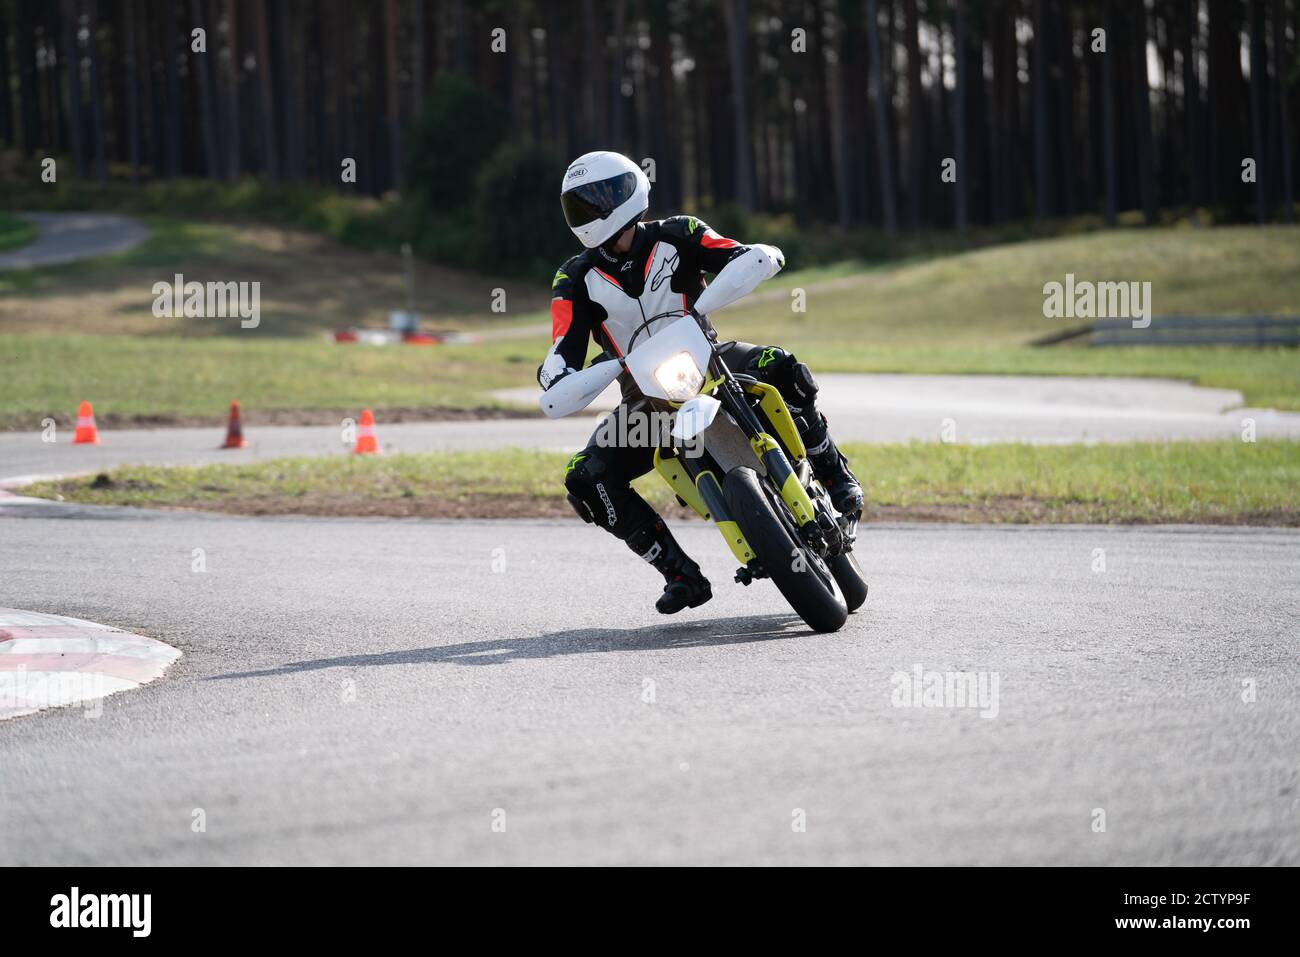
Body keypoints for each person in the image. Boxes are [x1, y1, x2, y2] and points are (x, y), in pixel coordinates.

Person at [539, 150, 862, 615]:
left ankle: (835, 476)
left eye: (599, 199)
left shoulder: (680, 231)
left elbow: (731, 253)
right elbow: (562, 345)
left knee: (785, 367)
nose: (591, 213)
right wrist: (556, 375)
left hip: (713, 358)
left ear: (630, 190)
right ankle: (679, 573)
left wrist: (757, 256)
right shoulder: (573, 277)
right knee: (584, 478)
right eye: (580, 206)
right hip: (646, 403)